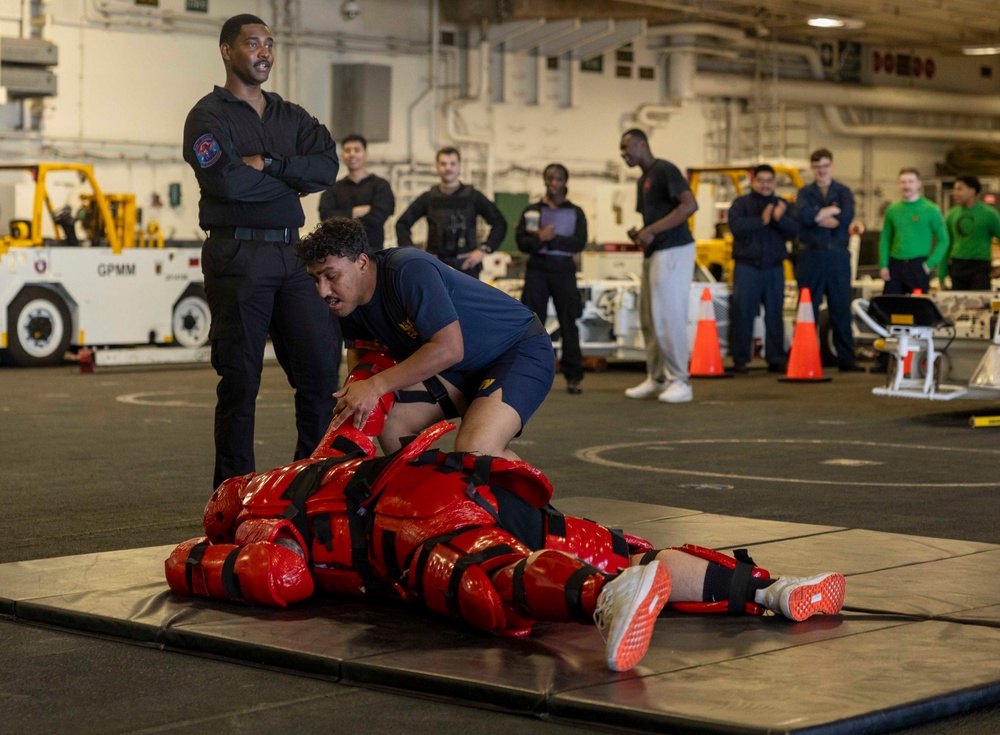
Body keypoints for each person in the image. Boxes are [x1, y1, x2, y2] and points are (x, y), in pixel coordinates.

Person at [166, 356, 847, 673]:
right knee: (615, 543)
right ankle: (771, 590)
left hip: (409, 516)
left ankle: (602, 597)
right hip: (459, 477)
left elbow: (282, 575)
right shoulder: (310, 462)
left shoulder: (264, 514)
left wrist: (190, 561)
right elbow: (360, 410)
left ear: (225, 510)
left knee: (489, 577)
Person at [182, 14, 342, 489]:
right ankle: (233, 497)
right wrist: (289, 183)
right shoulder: (207, 116)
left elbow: (327, 167)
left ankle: (310, 489)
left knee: (319, 378)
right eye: (253, 43)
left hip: (294, 260)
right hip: (237, 258)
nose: (265, 52)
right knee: (240, 384)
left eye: (269, 44)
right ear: (228, 51)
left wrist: (270, 164)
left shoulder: (290, 116)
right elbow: (225, 180)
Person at [294, 216, 554, 460]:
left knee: (476, 450)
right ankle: (421, 503)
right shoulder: (347, 303)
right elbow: (362, 353)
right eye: (316, 280)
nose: (323, 291)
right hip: (457, 369)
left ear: (362, 262)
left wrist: (375, 387)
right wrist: (362, 401)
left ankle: (533, 509)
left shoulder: (408, 269)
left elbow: (449, 348)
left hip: (516, 350)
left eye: (331, 276)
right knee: (391, 421)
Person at [619, 129, 699, 404]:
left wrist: (651, 230)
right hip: (655, 252)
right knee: (649, 319)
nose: (623, 153)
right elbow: (656, 222)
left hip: (674, 249)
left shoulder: (665, 170)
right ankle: (657, 378)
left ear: (642, 144)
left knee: (668, 317)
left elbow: (689, 205)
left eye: (627, 147)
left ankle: (681, 381)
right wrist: (642, 233)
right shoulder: (644, 179)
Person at [515, 163, 588, 395]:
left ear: (566, 181)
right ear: (544, 180)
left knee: (569, 322)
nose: (554, 183)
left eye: (558, 179)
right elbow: (522, 243)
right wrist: (539, 240)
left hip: (564, 271)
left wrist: (550, 238)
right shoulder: (531, 211)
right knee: (533, 322)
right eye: (550, 178)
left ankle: (573, 375)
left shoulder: (576, 212)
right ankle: (527, 373)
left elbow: (579, 242)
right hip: (537, 270)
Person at [795, 149, 864, 372]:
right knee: (807, 308)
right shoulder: (804, 193)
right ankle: (804, 357)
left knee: (841, 307)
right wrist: (828, 212)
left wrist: (818, 216)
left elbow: (844, 219)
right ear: (812, 168)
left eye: (824, 166)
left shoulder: (843, 192)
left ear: (831, 166)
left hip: (837, 256)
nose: (821, 171)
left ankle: (846, 358)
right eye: (816, 167)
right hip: (811, 255)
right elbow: (804, 217)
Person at [394, 147, 507, 279]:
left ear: (459, 167)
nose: (448, 168)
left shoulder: (473, 196)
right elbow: (402, 224)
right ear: (437, 167)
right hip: (435, 266)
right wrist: (413, 254)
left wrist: (483, 250)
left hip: (466, 267)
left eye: (452, 163)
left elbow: (500, 223)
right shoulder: (429, 198)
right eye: (443, 164)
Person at [727, 165, 798, 374]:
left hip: (774, 269)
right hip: (746, 267)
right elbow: (736, 227)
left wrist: (779, 219)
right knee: (743, 313)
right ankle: (740, 360)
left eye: (769, 180)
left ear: (775, 183)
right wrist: (762, 220)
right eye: (761, 180)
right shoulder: (741, 204)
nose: (765, 184)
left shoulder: (782, 206)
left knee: (775, 314)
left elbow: (795, 231)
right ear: (753, 182)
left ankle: (776, 358)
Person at [318, 133, 395, 251]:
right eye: (348, 150)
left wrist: (343, 218)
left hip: (372, 251)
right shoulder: (334, 188)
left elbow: (379, 218)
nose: (352, 154)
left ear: (365, 154)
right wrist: (354, 212)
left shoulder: (380, 185)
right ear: (342, 155)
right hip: (341, 252)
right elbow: (325, 216)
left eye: (357, 150)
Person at [879, 168, 950, 296]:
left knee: (917, 308)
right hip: (895, 265)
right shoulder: (892, 210)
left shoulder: (931, 209)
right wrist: (884, 264)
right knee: (890, 306)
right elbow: (885, 239)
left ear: (919, 184)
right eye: (903, 182)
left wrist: (930, 264)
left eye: (910, 182)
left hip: (918, 265)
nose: (906, 186)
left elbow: (944, 240)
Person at [941, 176, 1000, 291]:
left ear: (972, 191)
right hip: (957, 267)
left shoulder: (989, 214)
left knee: (979, 306)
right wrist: (941, 277)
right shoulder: (951, 214)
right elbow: (945, 246)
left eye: (959, 189)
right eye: (954, 189)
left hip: (980, 268)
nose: (955, 193)